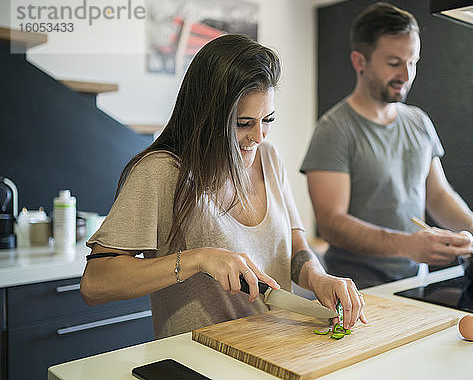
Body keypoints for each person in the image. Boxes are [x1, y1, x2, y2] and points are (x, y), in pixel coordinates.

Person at [80, 34, 366, 339]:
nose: (259, 136)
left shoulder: (269, 158)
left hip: (275, 350)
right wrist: (197, 259)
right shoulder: (160, 172)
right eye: (243, 123)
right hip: (198, 360)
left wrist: (318, 277)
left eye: (267, 119)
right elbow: (96, 284)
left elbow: (296, 249)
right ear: (206, 116)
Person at [300, 3, 473, 289]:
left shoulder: (419, 121)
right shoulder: (333, 130)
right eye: (394, 62)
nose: (407, 75)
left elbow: (438, 195)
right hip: (356, 290)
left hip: (414, 284)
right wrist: (408, 245)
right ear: (360, 62)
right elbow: (331, 224)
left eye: (413, 62)